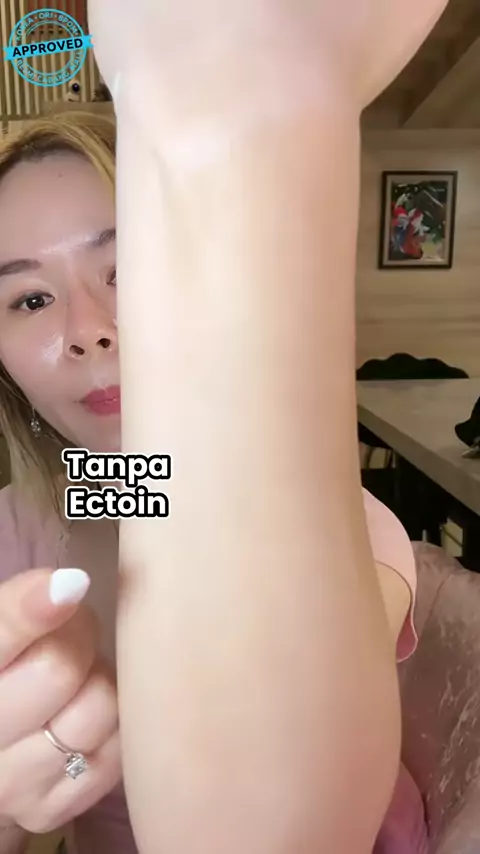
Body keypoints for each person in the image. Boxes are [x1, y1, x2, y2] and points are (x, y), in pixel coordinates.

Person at [0, 108, 428, 854]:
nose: (88, 330)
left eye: (129, 265)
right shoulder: (17, 533)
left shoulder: (343, 532)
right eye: (30, 299)